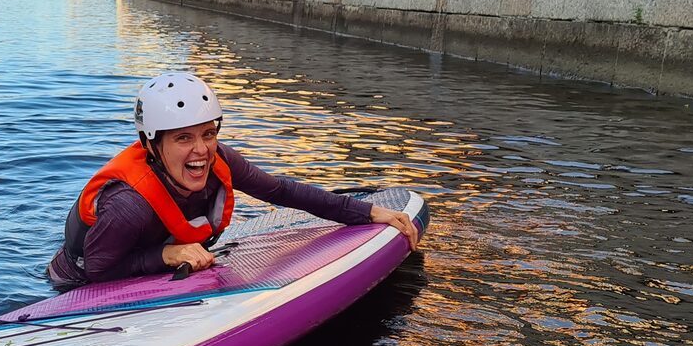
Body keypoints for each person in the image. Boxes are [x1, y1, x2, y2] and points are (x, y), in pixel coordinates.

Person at [47, 72, 421, 289]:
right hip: (79, 281)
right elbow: (99, 270)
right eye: (183, 138)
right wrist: (165, 254)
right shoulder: (128, 204)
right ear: (152, 144)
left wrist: (367, 212)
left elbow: (283, 191)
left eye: (208, 134)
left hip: (145, 259)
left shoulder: (221, 161)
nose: (201, 151)